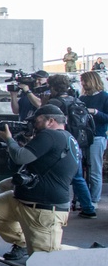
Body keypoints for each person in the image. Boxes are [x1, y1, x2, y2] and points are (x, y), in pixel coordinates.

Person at [0, 105, 80, 261]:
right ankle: (22, 243)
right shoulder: (65, 138)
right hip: (24, 201)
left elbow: (20, 157)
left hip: (44, 210)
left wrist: (9, 139)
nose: (33, 124)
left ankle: (96, 256)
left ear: (50, 121)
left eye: (36, 121)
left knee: (46, 260)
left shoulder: (50, 136)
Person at [46, 74, 97, 218]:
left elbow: (45, 121)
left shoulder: (55, 103)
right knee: (78, 177)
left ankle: (53, 206)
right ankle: (88, 207)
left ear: (53, 87)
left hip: (60, 143)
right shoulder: (77, 101)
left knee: (53, 175)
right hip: (76, 144)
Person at [80, 71, 108, 204]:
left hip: (97, 137)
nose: (83, 84)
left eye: (85, 81)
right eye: (82, 81)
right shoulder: (82, 98)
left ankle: (94, 199)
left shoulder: (105, 97)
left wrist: (95, 112)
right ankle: (84, 199)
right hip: (82, 138)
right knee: (81, 170)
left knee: (95, 170)